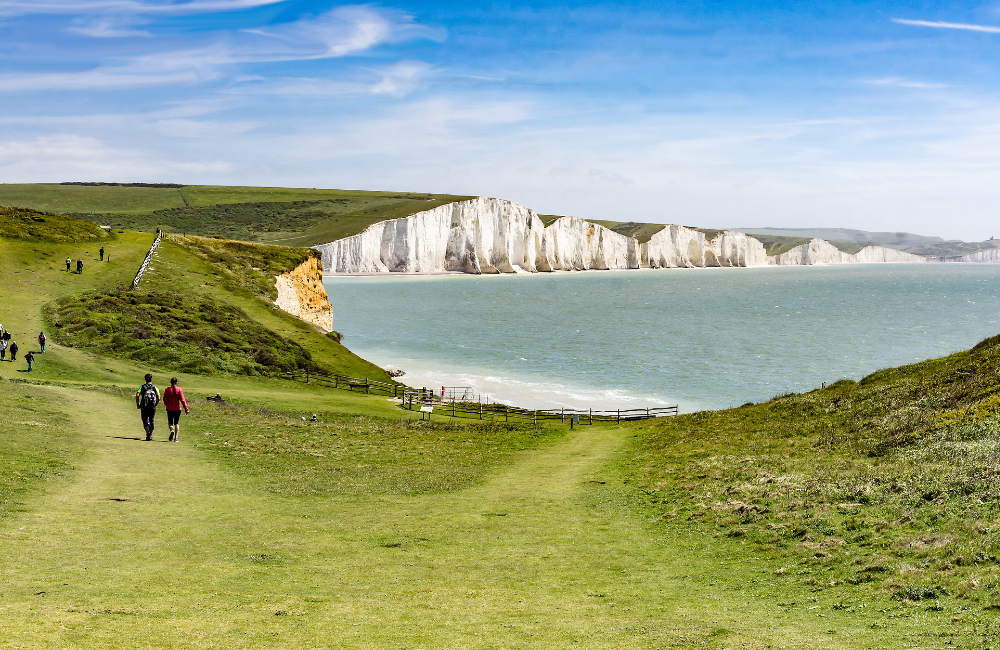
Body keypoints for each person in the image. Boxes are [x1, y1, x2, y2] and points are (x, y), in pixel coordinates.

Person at [162, 377, 189, 442]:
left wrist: (166, 404)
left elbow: (165, 399)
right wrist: (186, 408)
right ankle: (176, 438)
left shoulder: (167, 389)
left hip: (169, 408)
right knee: (176, 422)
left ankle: (172, 430)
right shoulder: (179, 389)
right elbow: (182, 400)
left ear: (170, 383)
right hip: (177, 408)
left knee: (170, 422)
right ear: (176, 383)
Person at [135, 373, 160, 441]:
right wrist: (155, 403)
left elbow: (137, 395)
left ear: (145, 379)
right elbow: (158, 397)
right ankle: (151, 434)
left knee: (145, 418)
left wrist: (138, 404)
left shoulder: (142, 387)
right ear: (151, 379)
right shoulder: (155, 387)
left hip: (144, 406)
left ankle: (147, 432)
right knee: (151, 419)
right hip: (152, 406)